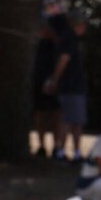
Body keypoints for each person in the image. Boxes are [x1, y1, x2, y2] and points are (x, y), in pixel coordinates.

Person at [46, 8, 88, 161]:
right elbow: (63, 61)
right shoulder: (70, 39)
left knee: (74, 120)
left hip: (72, 85)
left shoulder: (70, 38)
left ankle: (73, 151)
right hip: (71, 86)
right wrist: (55, 81)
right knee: (69, 120)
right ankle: (62, 151)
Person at [31, 21, 60, 158]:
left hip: (56, 84)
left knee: (56, 115)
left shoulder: (58, 46)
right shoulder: (36, 45)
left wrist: (53, 80)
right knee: (40, 115)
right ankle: (41, 146)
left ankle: (56, 146)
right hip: (38, 84)